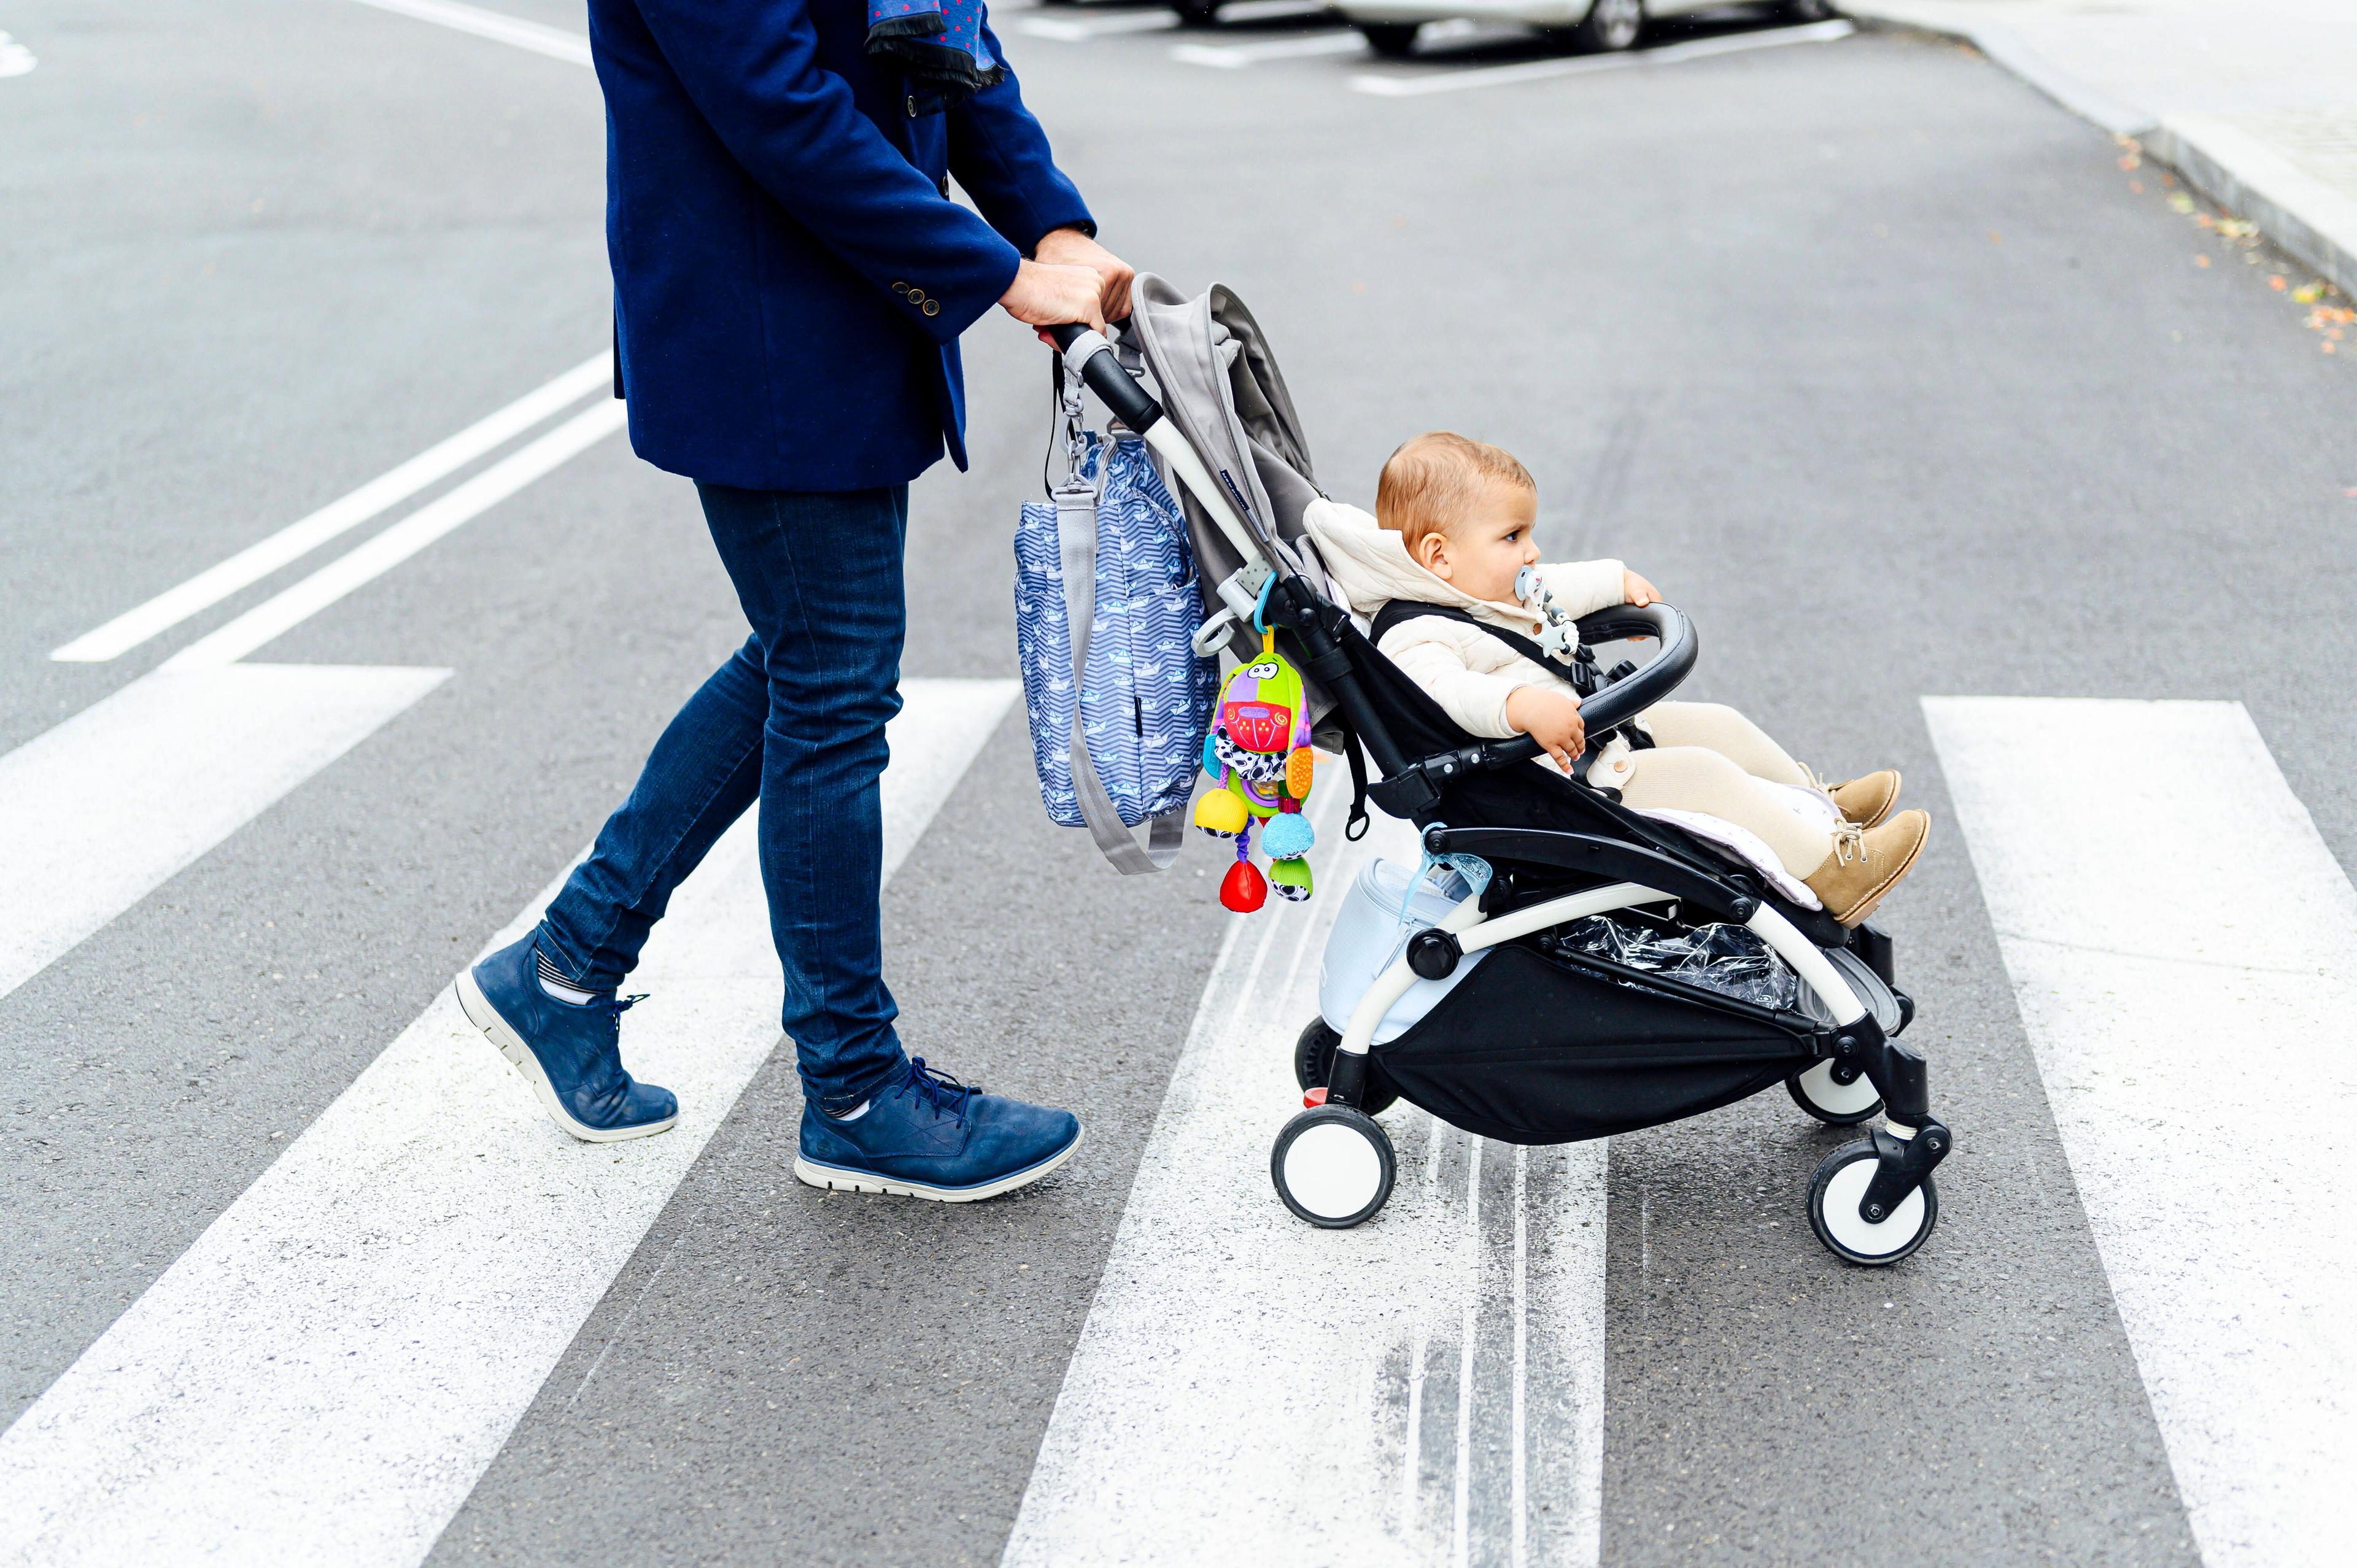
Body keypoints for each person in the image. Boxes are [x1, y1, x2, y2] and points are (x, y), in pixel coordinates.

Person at [453, 0, 1126, 1201]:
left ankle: (566, 966)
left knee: (813, 653)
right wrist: (998, 272)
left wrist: (1054, 224)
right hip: (762, 321)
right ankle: (855, 1089)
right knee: (831, 676)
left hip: (840, 313)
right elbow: (778, 104)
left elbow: (944, 38)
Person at [1304, 432, 1931, 927]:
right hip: (1554, 780)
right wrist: (1520, 705)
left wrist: (1614, 582)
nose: (1532, 552)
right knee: (1709, 776)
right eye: (1513, 537)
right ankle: (1833, 872)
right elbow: (1452, 693)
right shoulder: (1415, 632)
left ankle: (1821, 809)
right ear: (1440, 554)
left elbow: (1547, 590)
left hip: (1586, 740)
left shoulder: (1466, 583)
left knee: (1720, 725)